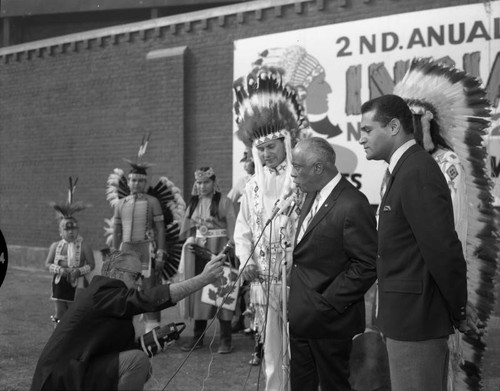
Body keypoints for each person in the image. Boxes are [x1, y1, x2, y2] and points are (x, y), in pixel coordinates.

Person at [393, 58, 495, 390]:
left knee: (444, 367)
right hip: (411, 281)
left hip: (436, 277)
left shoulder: (445, 162)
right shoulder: (404, 166)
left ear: (428, 122)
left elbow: (448, 228)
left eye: (415, 120)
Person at [359, 94, 469, 391]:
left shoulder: (417, 170)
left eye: (367, 130)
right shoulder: (403, 170)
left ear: (394, 127)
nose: (361, 139)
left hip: (418, 323)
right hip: (404, 320)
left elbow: (443, 249)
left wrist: (459, 309)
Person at [30, 249, 225, 391]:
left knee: (141, 364)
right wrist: (203, 279)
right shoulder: (102, 292)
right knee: (136, 362)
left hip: (74, 371)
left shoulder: (107, 294)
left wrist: (149, 342)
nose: (140, 281)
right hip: (59, 381)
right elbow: (146, 300)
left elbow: (110, 346)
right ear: (115, 273)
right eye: (136, 276)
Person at [233, 66, 308, 390]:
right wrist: (246, 260)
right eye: (261, 148)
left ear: (286, 142)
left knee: (301, 347)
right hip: (264, 282)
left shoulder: (303, 182)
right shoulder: (250, 188)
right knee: (272, 351)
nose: (266, 153)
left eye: (271, 146)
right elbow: (243, 232)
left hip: (299, 281)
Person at [288, 137, 377, 391]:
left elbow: (367, 265)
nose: (292, 174)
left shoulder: (353, 203)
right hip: (302, 322)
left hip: (331, 325)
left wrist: (326, 303)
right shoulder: (310, 196)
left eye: (297, 167)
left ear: (318, 168)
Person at [178, 166, 237, 354]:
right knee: (198, 291)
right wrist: (192, 240)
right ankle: (198, 338)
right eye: (199, 182)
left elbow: (234, 228)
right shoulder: (194, 203)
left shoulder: (224, 201)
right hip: (198, 251)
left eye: (206, 182)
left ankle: (225, 339)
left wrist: (228, 250)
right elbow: (186, 228)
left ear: (214, 183)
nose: (202, 186)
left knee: (222, 292)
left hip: (219, 249)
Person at [110, 143, 168, 333]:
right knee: (125, 288)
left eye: (140, 181)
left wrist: (160, 253)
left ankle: (152, 331)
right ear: (128, 182)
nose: (136, 184)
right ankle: (124, 329)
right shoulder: (120, 204)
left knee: (149, 289)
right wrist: (114, 252)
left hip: (147, 251)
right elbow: (116, 230)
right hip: (126, 250)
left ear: (146, 183)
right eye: (133, 180)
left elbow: (160, 228)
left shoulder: (153, 202)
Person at [45, 177, 95, 326]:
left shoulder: (84, 245)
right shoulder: (55, 246)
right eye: (67, 228)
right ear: (60, 231)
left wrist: (78, 271)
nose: (71, 232)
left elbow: (91, 264)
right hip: (59, 283)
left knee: (75, 311)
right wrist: (59, 269)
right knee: (60, 312)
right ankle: (58, 337)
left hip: (78, 283)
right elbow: (47, 264)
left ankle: (73, 339)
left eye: (73, 228)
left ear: (78, 229)